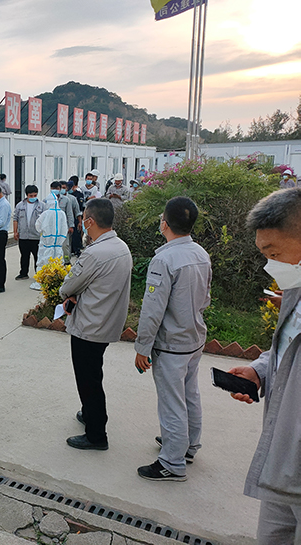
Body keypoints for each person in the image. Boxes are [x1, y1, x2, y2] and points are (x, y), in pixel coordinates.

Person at [229, 188, 301, 543]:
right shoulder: (296, 289)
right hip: (282, 460)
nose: (270, 264)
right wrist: (259, 370)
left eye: (274, 253)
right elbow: (286, 346)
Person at [134, 197, 212, 482]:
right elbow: (206, 298)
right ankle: (188, 445)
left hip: (172, 344)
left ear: (165, 224)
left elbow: (152, 310)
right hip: (194, 338)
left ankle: (172, 462)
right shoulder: (201, 253)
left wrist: (142, 347)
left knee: (172, 403)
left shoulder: (164, 260)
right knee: (190, 394)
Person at [60, 198, 132, 450]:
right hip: (107, 322)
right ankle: (90, 414)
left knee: (88, 380)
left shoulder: (94, 253)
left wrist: (69, 294)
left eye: (83, 219)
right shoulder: (121, 246)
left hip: (89, 326)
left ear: (90, 221)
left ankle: (96, 434)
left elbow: (68, 285)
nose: (82, 224)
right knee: (93, 373)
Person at [30, 194, 68, 291]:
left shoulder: (46, 214)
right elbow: (65, 228)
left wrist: (43, 233)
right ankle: (56, 282)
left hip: (46, 244)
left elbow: (38, 225)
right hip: (58, 244)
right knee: (57, 263)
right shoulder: (62, 214)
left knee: (44, 262)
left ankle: (43, 282)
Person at [13, 185, 45, 280]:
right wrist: (15, 232)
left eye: (35, 195)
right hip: (23, 235)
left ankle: (38, 274)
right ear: (27, 195)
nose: (33, 197)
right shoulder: (20, 205)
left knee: (37, 256)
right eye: (31, 196)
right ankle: (23, 273)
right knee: (24, 256)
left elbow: (45, 220)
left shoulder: (42, 206)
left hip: (36, 236)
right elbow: (15, 219)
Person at [68, 177, 85, 257]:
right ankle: (71, 250)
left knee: (76, 235)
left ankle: (77, 250)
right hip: (68, 217)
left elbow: (80, 208)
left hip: (76, 217)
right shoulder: (66, 196)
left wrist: (80, 220)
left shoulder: (78, 194)